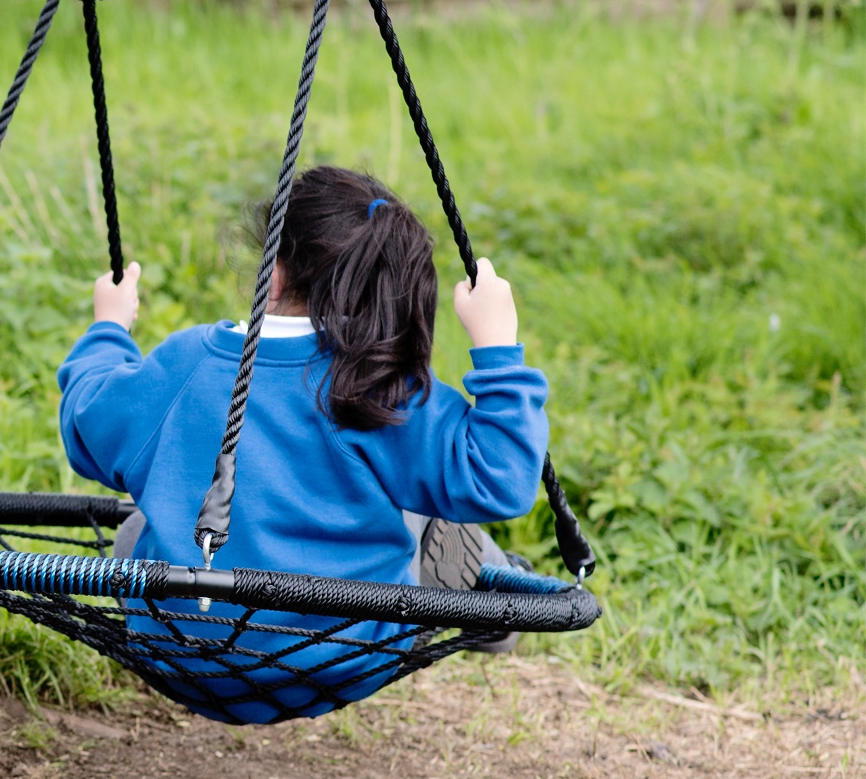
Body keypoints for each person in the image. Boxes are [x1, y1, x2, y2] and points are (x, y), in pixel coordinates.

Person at [56, 166, 549, 723]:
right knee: (435, 512)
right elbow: (501, 481)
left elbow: (86, 427)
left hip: (181, 646)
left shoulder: (187, 361)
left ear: (274, 269)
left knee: (140, 525)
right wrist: (497, 349)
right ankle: (494, 583)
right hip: (348, 652)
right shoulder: (381, 387)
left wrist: (108, 328)